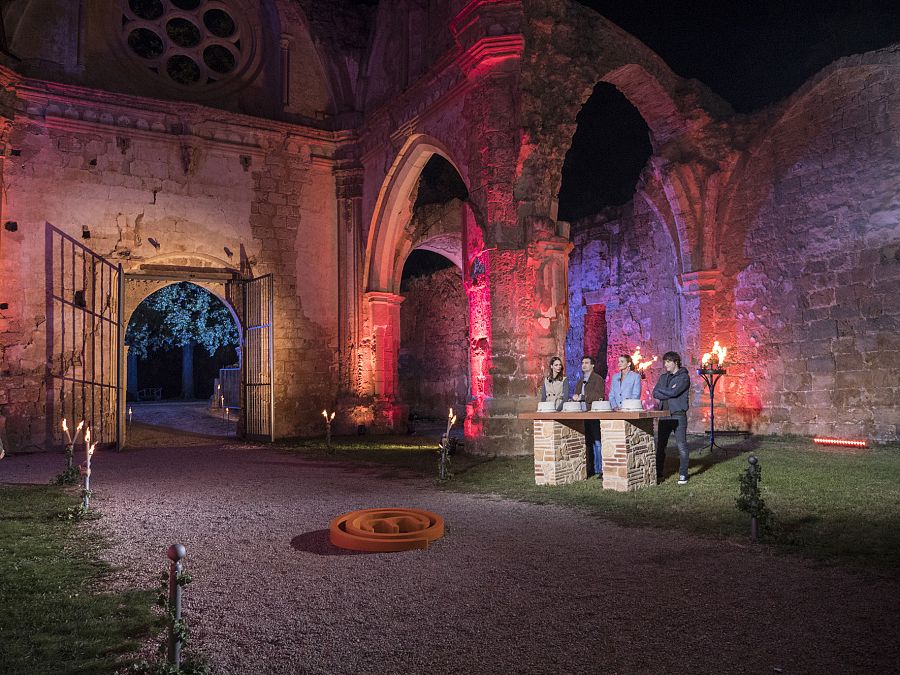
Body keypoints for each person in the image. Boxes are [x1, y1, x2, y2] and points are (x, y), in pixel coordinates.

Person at [652, 351, 691, 485]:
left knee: (681, 446)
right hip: (664, 415)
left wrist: (665, 391)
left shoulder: (684, 377)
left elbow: (675, 392)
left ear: (675, 362)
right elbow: (654, 392)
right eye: (665, 362)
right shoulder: (663, 377)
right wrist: (668, 391)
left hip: (678, 415)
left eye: (668, 362)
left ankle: (683, 474)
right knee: (661, 446)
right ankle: (658, 473)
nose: (665, 365)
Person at [571, 355, 605, 477]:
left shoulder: (598, 379)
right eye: (582, 363)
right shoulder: (580, 381)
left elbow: (599, 396)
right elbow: (577, 395)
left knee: (597, 442)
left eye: (586, 363)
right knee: (587, 441)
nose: (584, 365)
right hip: (582, 414)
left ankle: (600, 469)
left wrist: (583, 397)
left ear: (592, 365)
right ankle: (590, 467)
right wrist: (575, 398)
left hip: (593, 413)